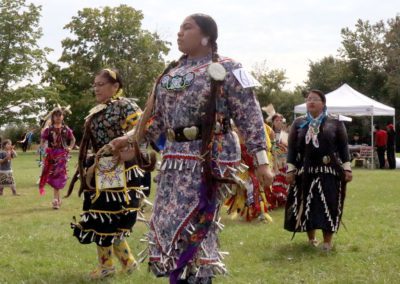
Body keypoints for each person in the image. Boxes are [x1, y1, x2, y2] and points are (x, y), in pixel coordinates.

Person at [111, 13, 273, 283]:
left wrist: (262, 160)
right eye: (179, 28)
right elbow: (155, 119)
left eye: (187, 28)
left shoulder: (229, 68)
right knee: (166, 224)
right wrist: (131, 139)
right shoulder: (169, 74)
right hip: (173, 161)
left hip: (208, 160)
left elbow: (250, 115)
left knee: (194, 227)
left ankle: (198, 279)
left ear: (207, 36)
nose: (179, 33)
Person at [69, 68, 147, 280]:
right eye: (94, 84)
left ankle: (108, 267)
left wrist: (130, 148)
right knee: (104, 217)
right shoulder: (97, 110)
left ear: (115, 86)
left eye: (101, 84)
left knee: (110, 216)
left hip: (123, 170)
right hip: (101, 169)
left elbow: (143, 128)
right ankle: (127, 264)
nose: (96, 88)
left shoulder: (126, 105)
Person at [284, 89, 353, 252]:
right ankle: (311, 239)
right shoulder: (299, 123)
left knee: (328, 204)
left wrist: (347, 168)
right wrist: (290, 169)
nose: (311, 102)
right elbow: (292, 149)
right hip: (305, 170)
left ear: (323, 103)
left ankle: (327, 242)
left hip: (329, 170)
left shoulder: (335, 122)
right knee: (308, 203)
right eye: (308, 99)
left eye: (315, 99)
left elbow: (343, 147)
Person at [39, 107, 76, 209]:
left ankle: (55, 200)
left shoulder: (66, 129)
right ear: (53, 117)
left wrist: (70, 147)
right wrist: (44, 150)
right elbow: (42, 141)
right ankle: (57, 200)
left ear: (62, 117)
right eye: (56, 116)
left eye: (60, 115)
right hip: (51, 155)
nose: (58, 117)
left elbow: (73, 139)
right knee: (51, 176)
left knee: (58, 175)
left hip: (62, 155)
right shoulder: (48, 129)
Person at [269, 113, 289, 209]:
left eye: (280, 120)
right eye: (276, 120)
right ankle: (274, 200)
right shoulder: (269, 132)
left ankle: (282, 199)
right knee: (274, 180)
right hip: (273, 161)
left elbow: (287, 146)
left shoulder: (285, 134)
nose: (279, 122)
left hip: (283, 161)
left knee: (283, 180)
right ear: (273, 122)